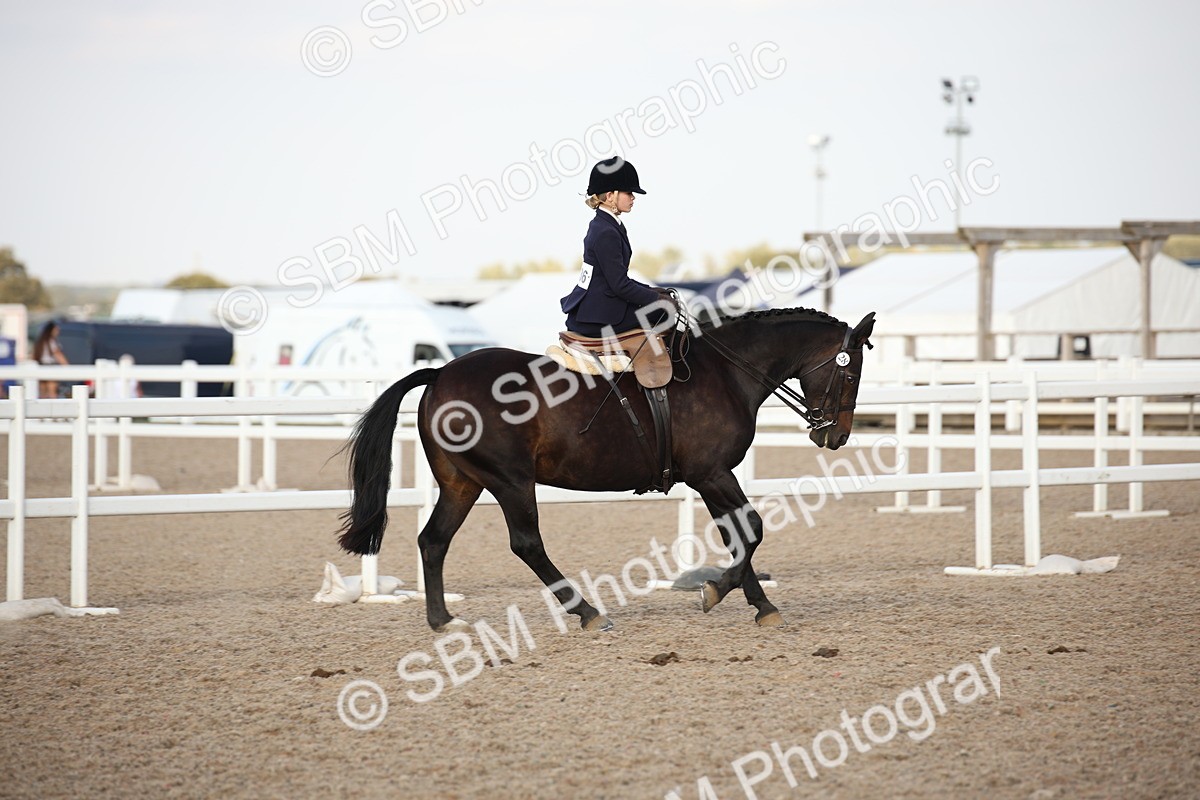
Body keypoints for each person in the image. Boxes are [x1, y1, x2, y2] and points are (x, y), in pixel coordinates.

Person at [560, 157, 671, 337]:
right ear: (610, 196)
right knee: (665, 311)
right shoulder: (606, 232)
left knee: (663, 305)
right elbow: (620, 285)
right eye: (628, 192)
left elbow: (617, 278)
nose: (633, 197)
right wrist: (656, 298)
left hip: (597, 307)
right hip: (597, 316)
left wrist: (652, 290)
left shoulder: (604, 224)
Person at [32, 320, 69, 398]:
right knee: (52, 392)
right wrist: (67, 367)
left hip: (40, 366)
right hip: (50, 367)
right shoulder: (52, 341)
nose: (58, 332)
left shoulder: (40, 342)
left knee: (42, 393)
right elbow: (58, 354)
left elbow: (34, 356)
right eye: (56, 330)